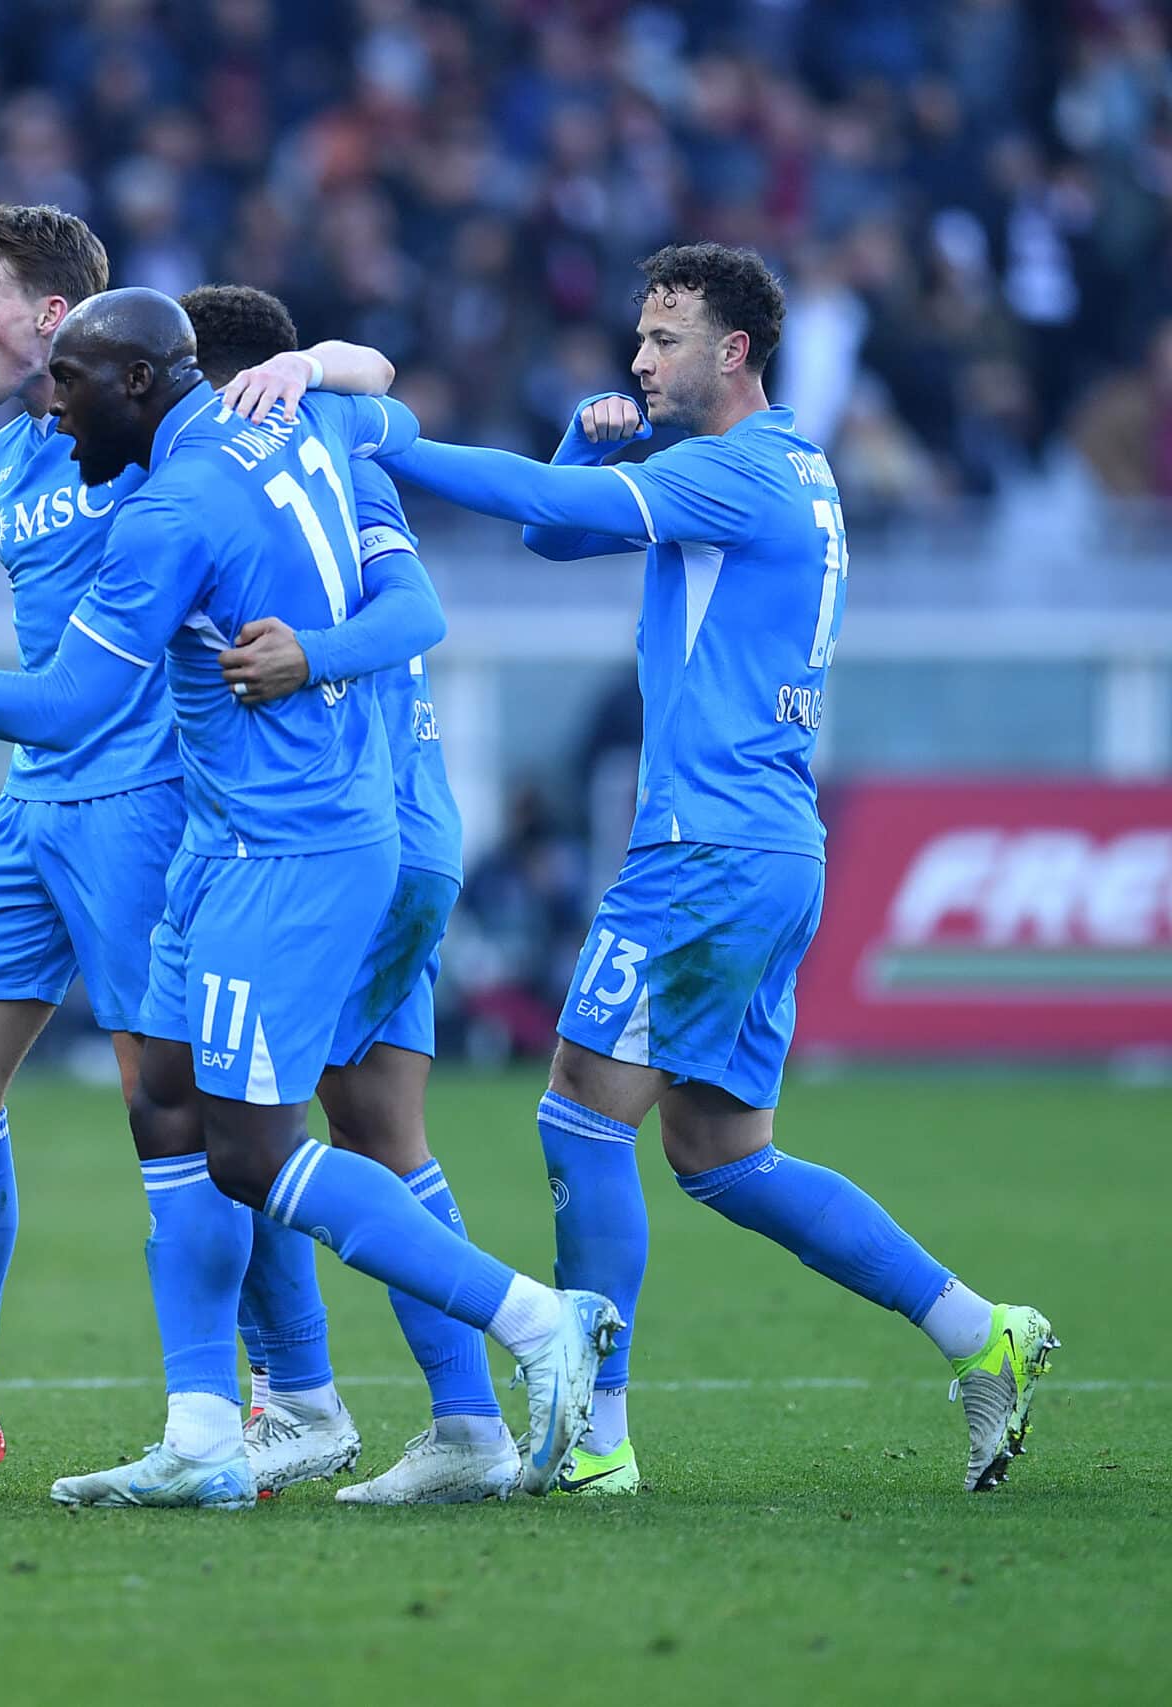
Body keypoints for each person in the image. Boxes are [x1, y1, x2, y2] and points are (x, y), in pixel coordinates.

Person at [0, 287, 621, 1507]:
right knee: (182, 1110)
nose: (54, 412)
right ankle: (221, 1431)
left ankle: (523, 1322)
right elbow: (377, 396)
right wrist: (326, 364)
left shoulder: (170, 509)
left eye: (70, 388)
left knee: (261, 1146)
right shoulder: (310, 424)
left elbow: (72, 706)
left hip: (285, 851)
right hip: (255, 836)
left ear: (143, 382)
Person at [377, 242, 1055, 1495]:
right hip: (768, 842)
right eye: (638, 335)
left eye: (664, 337)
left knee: (581, 1117)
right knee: (722, 1153)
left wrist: (386, 442)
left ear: (734, 350)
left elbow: (557, 514)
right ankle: (983, 1332)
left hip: (705, 846)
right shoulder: (789, 468)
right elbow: (555, 528)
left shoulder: (734, 474)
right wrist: (584, 451)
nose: (639, 357)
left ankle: (596, 1436)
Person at [0, 206, 396, 1489]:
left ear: (56, 320)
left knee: (185, 1111)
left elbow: (364, 391)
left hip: (149, 806)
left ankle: (294, 1395)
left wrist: (313, 362)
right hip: (37, 804)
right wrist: (19, 775)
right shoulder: (27, 456)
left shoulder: (144, 430)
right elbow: (57, 665)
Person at [184, 284, 516, 1505]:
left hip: (348, 837)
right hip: (410, 835)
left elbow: (419, 607)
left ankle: (306, 1400)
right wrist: (332, 362)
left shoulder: (275, 455)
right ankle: (469, 1426)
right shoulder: (331, 450)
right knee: (377, 1131)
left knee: (238, 1117)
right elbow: (395, 395)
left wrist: (318, 363)